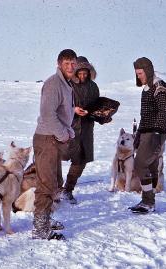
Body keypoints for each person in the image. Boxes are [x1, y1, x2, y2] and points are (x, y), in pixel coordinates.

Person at [32, 49, 77, 240]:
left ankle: (46, 219)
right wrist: (63, 134)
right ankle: (40, 228)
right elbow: (48, 115)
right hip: (47, 138)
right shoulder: (53, 84)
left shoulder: (66, 84)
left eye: (73, 63)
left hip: (55, 139)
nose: (70, 67)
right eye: (66, 63)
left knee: (55, 182)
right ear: (59, 64)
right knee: (46, 184)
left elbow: (62, 114)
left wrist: (68, 131)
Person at [129, 57, 166, 214]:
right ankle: (148, 201)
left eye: (140, 73)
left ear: (148, 70)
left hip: (155, 132)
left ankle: (148, 201)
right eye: (137, 73)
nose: (138, 76)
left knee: (140, 164)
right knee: (151, 166)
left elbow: (163, 111)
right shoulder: (147, 88)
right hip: (147, 131)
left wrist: (157, 132)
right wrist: (139, 132)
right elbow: (146, 115)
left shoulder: (159, 87)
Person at [61, 56, 99, 204]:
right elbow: (60, 105)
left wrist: (102, 114)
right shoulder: (68, 85)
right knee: (57, 157)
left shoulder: (93, 87)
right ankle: (53, 189)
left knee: (80, 160)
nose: (83, 76)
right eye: (80, 73)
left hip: (87, 128)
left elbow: (97, 105)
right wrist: (73, 110)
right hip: (68, 127)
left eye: (85, 73)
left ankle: (68, 190)